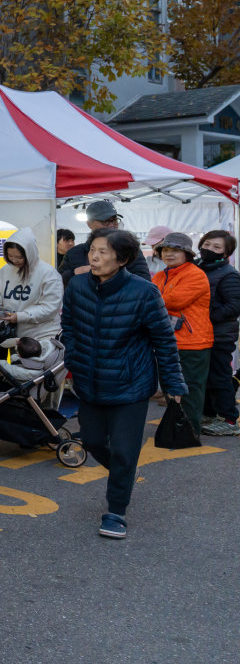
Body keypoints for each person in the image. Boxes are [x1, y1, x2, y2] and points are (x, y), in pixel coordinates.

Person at [62, 229, 186, 539]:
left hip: (131, 384)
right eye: (93, 250)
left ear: (123, 259)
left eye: (103, 252)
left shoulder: (144, 292)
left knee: (123, 449)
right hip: (90, 381)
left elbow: (163, 340)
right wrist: (75, 357)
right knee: (91, 440)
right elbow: (69, 326)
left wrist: (173, 384)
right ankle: (124, 472)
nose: (94, 256)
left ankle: (116, 511)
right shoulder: (77, 285)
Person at [151, 232, 213, 434]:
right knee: (171, 388)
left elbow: (172, 301)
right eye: (166, 250)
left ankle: (189, 431)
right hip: (167, 341)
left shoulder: (195, 274)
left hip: (193, 342)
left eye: (175, 250)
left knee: (191, 389)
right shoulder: (161, 275)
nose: (169, 254)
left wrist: (156, 299)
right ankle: (176, 426)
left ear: (187, 254)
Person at [0, 227, 63, 353]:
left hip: (42, 336)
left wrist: (19, 317)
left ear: (30, 253)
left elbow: (50, 308)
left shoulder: (48, 274)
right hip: (14, 337)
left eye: (19, 257)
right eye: (10, 256)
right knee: (15, 369)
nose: (14, 260)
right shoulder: (5, 271)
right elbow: (0, 296)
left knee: (36, 370)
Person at [198, 231, 240, 436]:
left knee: (220, 376)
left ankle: (230, 420)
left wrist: (206, 317)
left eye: (217, 247)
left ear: (226, 253)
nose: (209, 249)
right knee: (205, 376)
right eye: (207, 244)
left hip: (219, 334)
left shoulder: (228, 274)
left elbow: (234, 305)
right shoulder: (199, 268)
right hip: (201, 333)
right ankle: (210, 414)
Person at [60, 200, 150, 285]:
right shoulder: (75, 252)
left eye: (114, 220)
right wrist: (75, 272)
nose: (111, 225)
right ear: (89, 223)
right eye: (106, 221)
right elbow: (58, 281)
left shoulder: (129, 249)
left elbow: (144, 280)